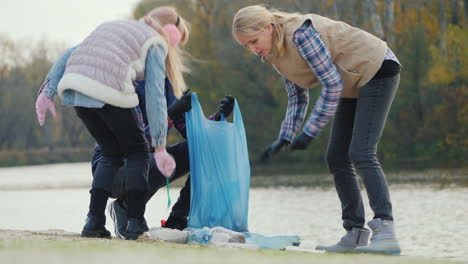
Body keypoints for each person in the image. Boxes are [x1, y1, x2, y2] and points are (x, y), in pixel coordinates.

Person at [232, 5, 401, 254]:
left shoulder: (301, 34)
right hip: (351, 81)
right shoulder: (274, 54)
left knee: (362, 152)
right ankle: (355, 233)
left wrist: (310, 131)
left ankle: (386, 231)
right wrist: (285, 137)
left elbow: (331, 85)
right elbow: (297, 97)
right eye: (246, 46)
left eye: (254, 41)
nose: (253, 49)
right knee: (336, 157)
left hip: (376, 67)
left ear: (268, 28)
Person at [35, 6, 190, 240]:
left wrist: (47, 93)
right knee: (137, 151)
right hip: (111, 89)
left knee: (111, 152)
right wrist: (159, 145)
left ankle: (93, 222)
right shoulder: (154, 42)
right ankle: (135, 223)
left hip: (75, 86)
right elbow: (155, 96)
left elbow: (69, 54)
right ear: (171, 33)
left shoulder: (116, 30)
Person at [94, 77, 235, 238]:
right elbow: (134, 146)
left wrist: (219, 117)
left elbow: (196, 134)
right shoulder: (128, 88)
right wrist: (170, 114)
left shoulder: (169, 88)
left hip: (147, 160)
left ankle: (178, 218)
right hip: (113, 171)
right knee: (154, 160)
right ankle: (125, 207)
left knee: (205, 149)